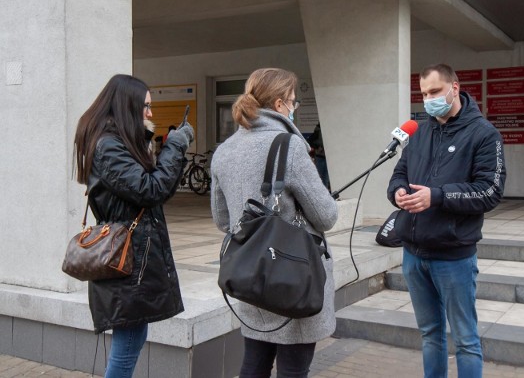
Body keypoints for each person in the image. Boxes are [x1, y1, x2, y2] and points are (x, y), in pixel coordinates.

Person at [210, 68, 338, 378]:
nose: (295, 107)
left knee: (254, 363)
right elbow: (325, 216)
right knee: (294, 369)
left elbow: (223, 219)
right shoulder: (289, 146)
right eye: (295, 101)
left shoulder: (224, 151)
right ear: (280, 104)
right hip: (291, 274)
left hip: (251, 272)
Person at [387, 64, 506, 378]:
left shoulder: (484, 134)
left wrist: (437, 196)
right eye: (424, 93)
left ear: (455, 87)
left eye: (435, 91)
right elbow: (399, 174)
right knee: (430, 334)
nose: (428, 99)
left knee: (465, 339)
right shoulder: (419, 130)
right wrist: (398, 192)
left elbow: (490, 191)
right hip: (413, 253)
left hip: (453, 256)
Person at [73, 74, 194, 378]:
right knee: (127, 346)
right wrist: (174, 146)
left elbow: (155, 191)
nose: (151, 114)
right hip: (126, 262)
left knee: (133, 337)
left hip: (133, 259)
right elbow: (150, 190)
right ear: (127, 106)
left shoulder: (118, 143)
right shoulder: (109, 147)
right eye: (146, 107)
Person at [308, 122, 330, 190]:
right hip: (321, 156)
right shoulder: (320, 130)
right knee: (323, 178)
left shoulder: (318, 130)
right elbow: (318, 141)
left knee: (321, 177)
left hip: (320, 155)